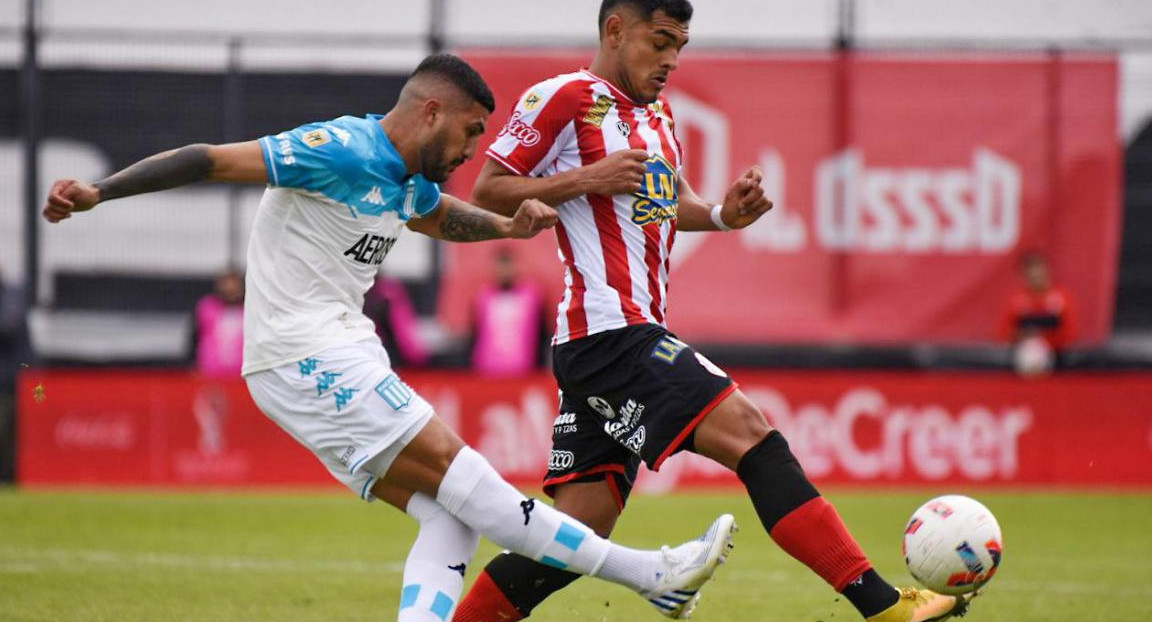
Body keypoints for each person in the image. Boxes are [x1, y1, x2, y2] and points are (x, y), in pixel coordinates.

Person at [42, 53, 736, 622]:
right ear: (430, 111)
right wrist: (101, 192)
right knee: (476, 486)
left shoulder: (407, 180)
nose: (472, 151)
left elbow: (443, 219)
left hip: (323, 356)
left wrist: (507, 227)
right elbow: (209, 158)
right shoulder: (341, 148)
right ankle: (652, 574)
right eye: (469, 132)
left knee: (451, 518)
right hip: (307, 352)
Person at [452, 3, 973, 622]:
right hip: (609, 334)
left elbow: (666, 205)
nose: (672, 58)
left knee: (574, 535)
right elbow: (489, 188)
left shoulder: (660, 116)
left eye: (682, 44)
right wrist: (589, 178)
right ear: (616, 30)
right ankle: (884, 607)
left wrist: (723, 214)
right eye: (661, 40)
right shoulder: (564, 97)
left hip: (613, 339)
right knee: (753, 435)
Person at [470, 246, 548, 376]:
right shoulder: (483, 297)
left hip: (524, 369)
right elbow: (475, 333)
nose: (504, 272)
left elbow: (542, 332)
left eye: (507, 266)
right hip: (488, 369)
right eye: (500, 266)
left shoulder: (532, 295)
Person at [1000, 252, 1077, 376]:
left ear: (1047, 273)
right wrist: (1022, 336)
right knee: (1030, 353)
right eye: (1031, 275)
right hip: (1023, 352)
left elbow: (1070, 333)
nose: (1036, 278)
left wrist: (1044, 338)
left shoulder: (1061, 298)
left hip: (1055, 353)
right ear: (1023, 277)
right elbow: (1003, 333)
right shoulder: (1017, 301)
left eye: (1039, 273)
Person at [194, 268, 246, 378]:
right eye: (226, 286)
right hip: (210, 374)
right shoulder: (207, 308)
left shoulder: (248, 311)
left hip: (241, 376)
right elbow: (195, 339)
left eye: (234, 288)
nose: (230, 291)